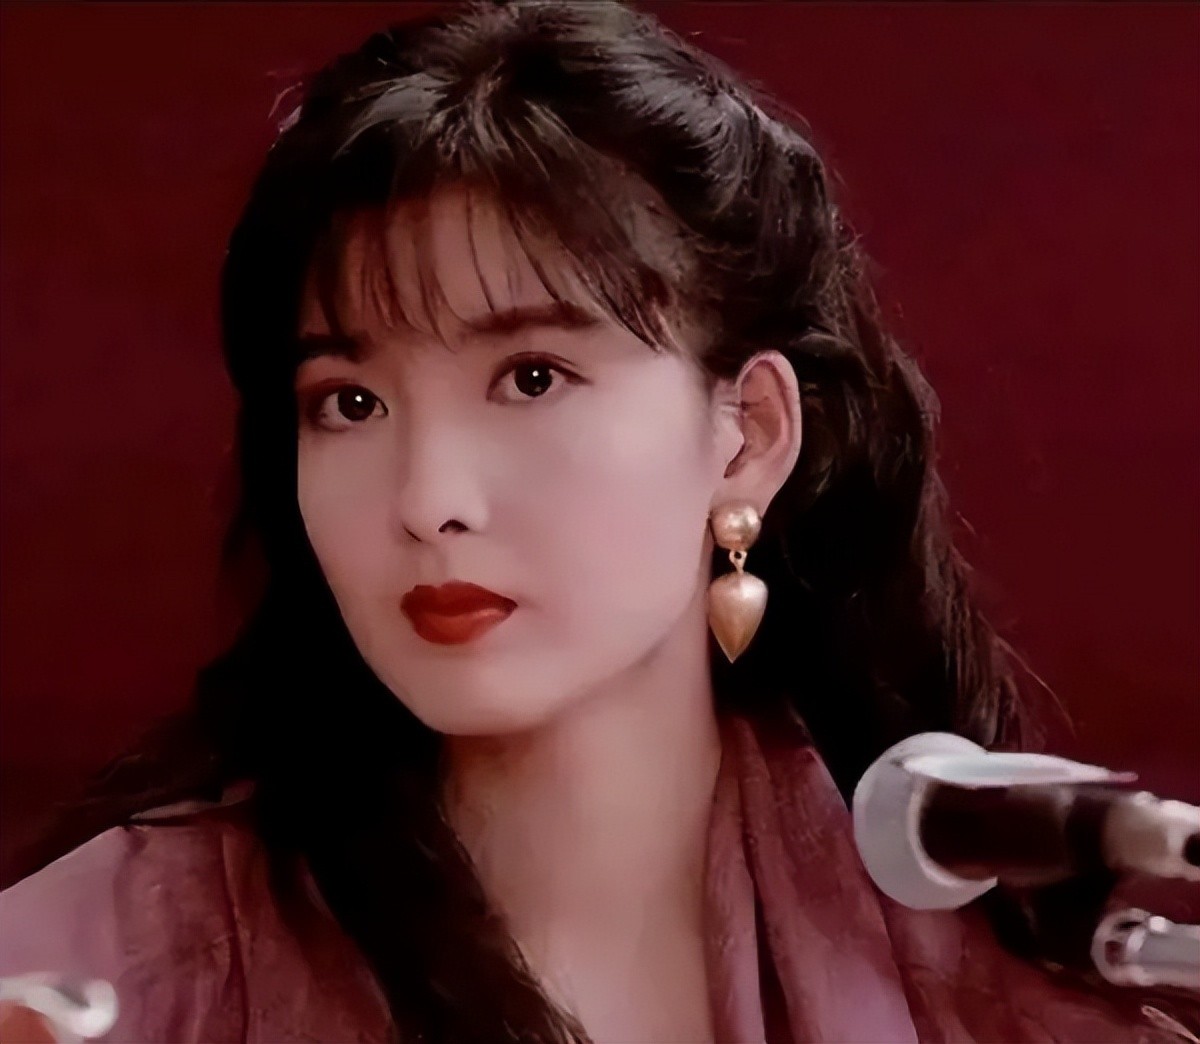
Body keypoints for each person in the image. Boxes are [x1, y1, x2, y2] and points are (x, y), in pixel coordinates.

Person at [0, 2, 1196, 1042]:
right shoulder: (107, 974)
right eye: (350, 403)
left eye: (532, 378)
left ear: (749, 434)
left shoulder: (996, 980)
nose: (427, 501)